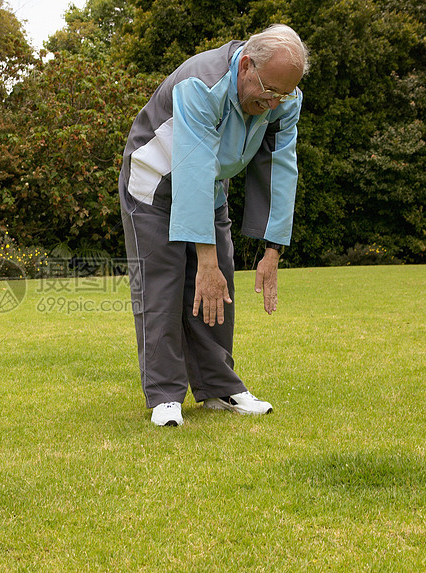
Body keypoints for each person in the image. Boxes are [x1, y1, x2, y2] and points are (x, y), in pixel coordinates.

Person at [118, 24, 310, 426]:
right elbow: (192, 165)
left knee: (218, 279)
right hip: (155, 184)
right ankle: (165, 395)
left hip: (210, 187)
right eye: (269, 91)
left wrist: (272, 250)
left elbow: (280, 167)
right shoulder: (200, 84)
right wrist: (203, 263)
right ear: (245, 66)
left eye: (285, 94)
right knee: (164, 284)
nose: (275, 103)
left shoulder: (283, 99)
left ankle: (219, 389)